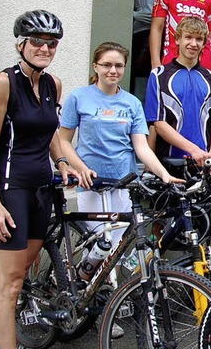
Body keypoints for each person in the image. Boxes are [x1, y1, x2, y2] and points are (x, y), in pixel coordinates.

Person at [0, 10, 77, 349]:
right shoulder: (3, 83)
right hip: (11, 189)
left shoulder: (52, 83)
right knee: (11, 282)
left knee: (23, 273)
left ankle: (1, 345)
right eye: (37, 41)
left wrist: (64, 162)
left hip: (41, 189)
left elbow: (51, 132)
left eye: (51, 43)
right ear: (21, 44)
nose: (45, 48)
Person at [59, 42, 181, 270]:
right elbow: (63, 141)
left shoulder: (132, 103)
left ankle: (113, 301)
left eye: (118, 65)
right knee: (98, 248)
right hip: (91, 184)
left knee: (118, 251)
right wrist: (80, 168)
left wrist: (165, 175)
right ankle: (86, 293)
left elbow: (142, 147)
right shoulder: (79, 97)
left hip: (124, 184)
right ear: (95, 66)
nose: (112, 71)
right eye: (106, 65)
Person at [145, 16, 211, 167]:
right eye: (188, 37)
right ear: (177, 39)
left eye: (199, 39)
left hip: (203, 165)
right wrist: (193, 150)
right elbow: (158, 124)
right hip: (169, 165)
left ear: (204, 44)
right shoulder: (159, 75)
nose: (193, 44)